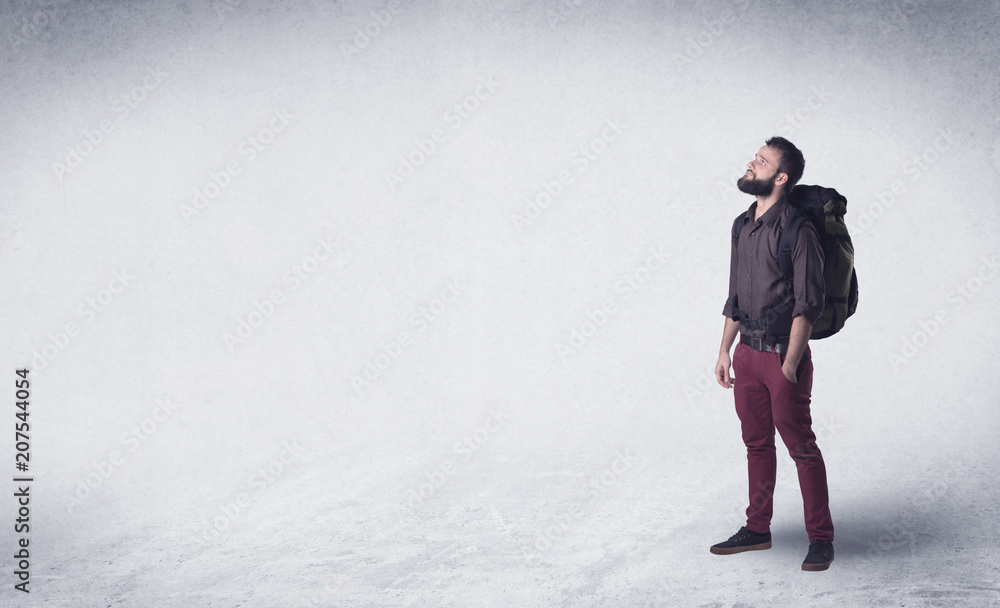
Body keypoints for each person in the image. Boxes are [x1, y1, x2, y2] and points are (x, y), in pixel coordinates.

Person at [712, 136, 835, 572]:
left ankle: (821, 538)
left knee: (801, 447)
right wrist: (725, 350)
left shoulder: (798, 229)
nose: (751, 162)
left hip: (783, 357)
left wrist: (790, 363)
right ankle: (757, 528)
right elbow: (735, 296)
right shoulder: (741, 224)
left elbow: (810, 303)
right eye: (755, 157)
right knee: (756, 445)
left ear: (780, 177)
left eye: (761, 161)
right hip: (746, 354)